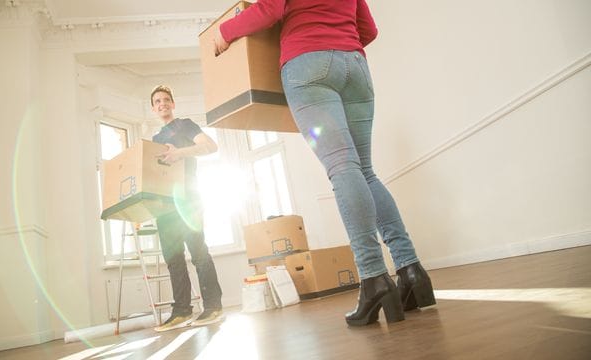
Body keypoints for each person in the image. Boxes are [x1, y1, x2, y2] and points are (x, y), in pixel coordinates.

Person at [214, 0, 435, 326]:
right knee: (364, 170)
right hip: (355, 67)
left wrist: (224, 32)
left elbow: (269, 9)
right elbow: (369, 30)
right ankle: (411, 270)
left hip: (308, 63)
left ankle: (373, 277)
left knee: (343, 167)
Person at [149, 85, 224, 331]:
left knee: (199, 253)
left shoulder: (185, 125)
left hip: (189, 199)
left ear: (173, 104)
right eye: (157, 101)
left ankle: (213, 306)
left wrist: (180, 152)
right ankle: (181, 311)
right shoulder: (155, 141)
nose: (162, 104)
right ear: (153, 108)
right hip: (165, 207)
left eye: (166, 100)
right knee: (173, 260)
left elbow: (210, 146)